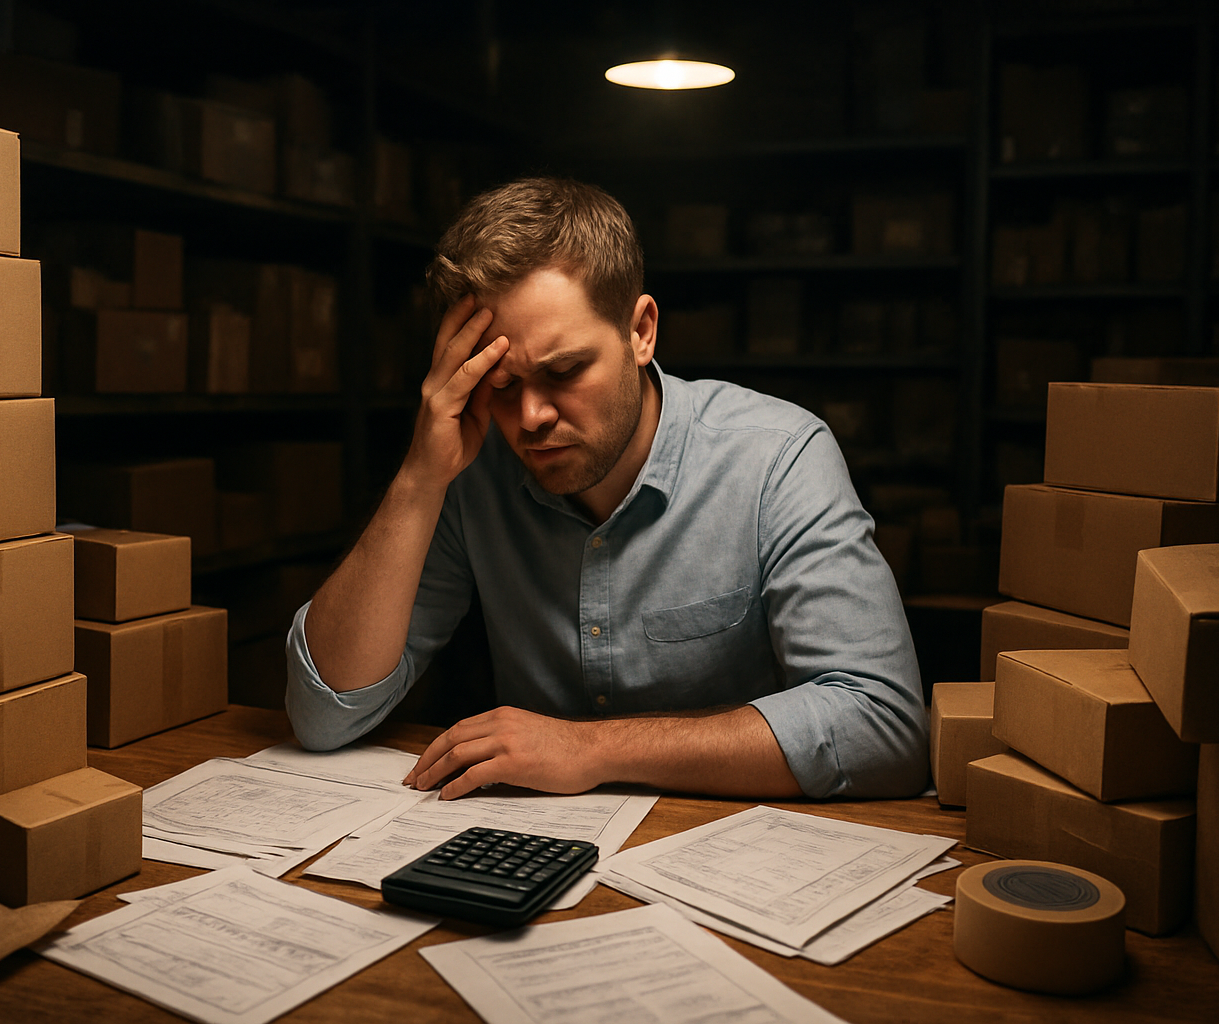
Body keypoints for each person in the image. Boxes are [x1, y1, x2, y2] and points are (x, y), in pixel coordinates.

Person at [285, 176, 928, 801]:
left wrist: (591, 750)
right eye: (502, 385)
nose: (531, 416)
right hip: (538, 860)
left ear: (640, 331)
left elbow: (883, 726)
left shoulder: (777, 457)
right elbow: (325, 715)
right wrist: (420, 475)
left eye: (564, 370)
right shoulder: (469, 469)